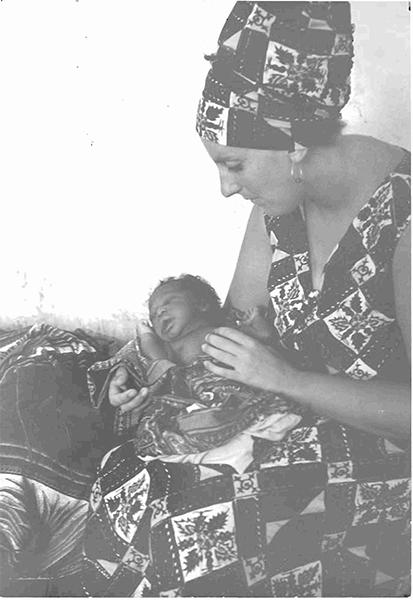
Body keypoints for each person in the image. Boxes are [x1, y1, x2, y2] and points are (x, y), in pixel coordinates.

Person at [84, 2, 410, 597]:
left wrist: (286, 378)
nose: (226, 187)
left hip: (386, 462)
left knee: (195, 526)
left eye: (233, 165)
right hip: (289, 425)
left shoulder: (403, 216)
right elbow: (229, 342)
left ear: (294, 145)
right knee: (125, 481)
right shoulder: (280, 205)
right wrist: (152, 372)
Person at [114, 274, 301, 469]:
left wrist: (257, 327)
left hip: (229, 379)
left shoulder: (221, 329)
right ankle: (208, 428)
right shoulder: (169, 346)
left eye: (168, 302)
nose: (159, 312)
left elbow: (259, 343)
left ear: (201, 305)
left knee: (251, 399)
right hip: (192, 389)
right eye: (153, 315)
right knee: (156, 426)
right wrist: (146, 335)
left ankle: (233, 422)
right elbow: (157, 361)